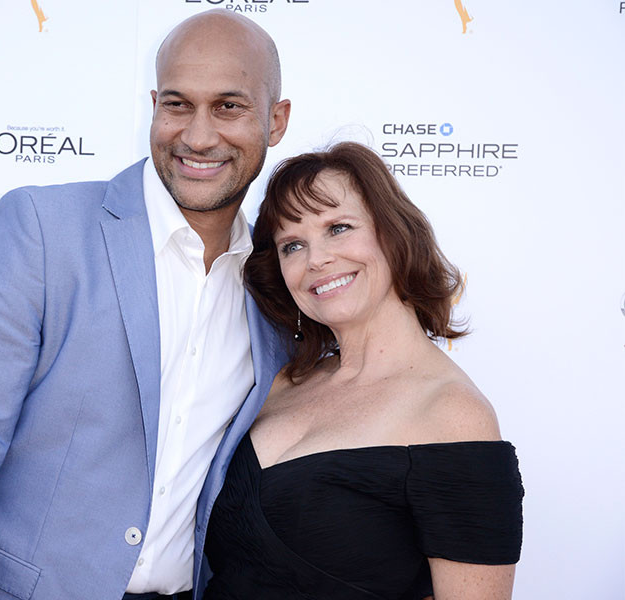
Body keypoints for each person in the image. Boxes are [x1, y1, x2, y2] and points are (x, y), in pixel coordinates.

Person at [0, 10, 291, 600]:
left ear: (276, 120)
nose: (198, 136)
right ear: (154, 104)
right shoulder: (40, 232)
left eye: (229, 106)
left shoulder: (280, 282)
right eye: (178, 104)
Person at [201, 143, 524, 599]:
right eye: (293, 245)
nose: (315, 259)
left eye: (338, 228)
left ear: (394, 235)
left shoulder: (453, 413)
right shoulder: (280, 381)